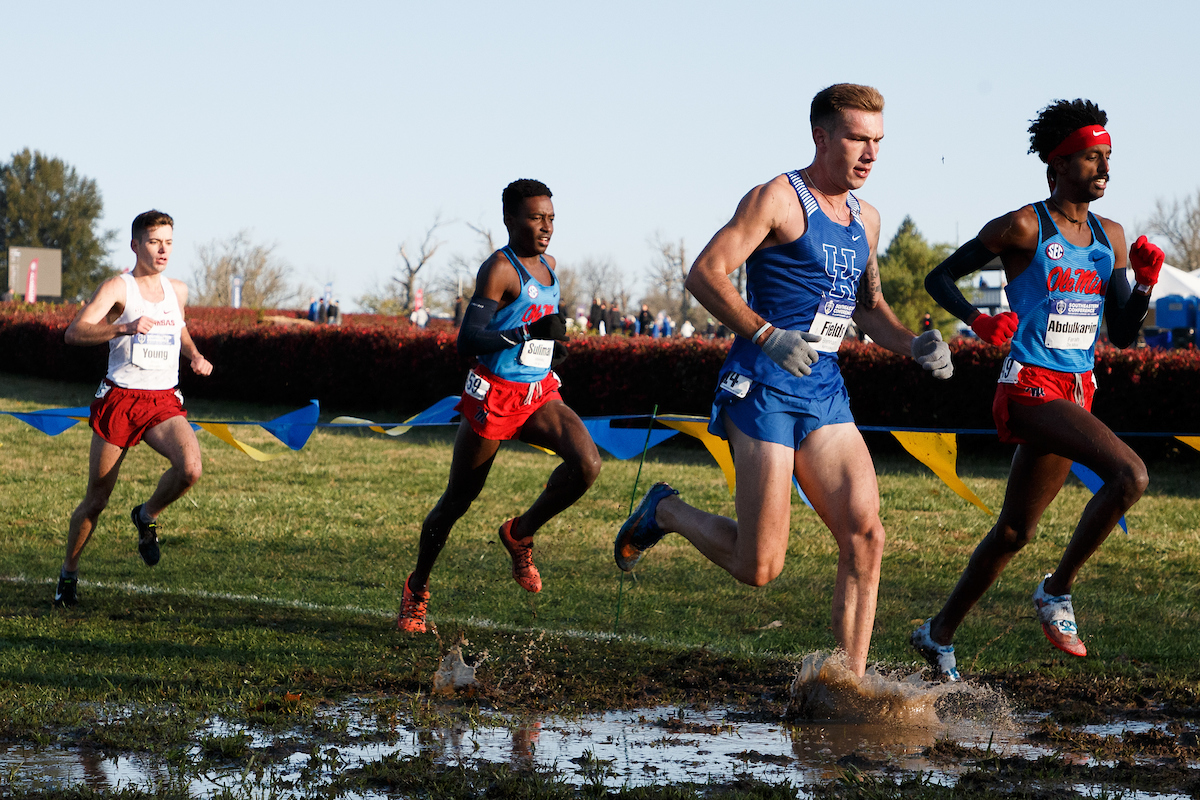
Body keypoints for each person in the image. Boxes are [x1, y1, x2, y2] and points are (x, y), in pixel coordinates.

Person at [613, 84, 952, 677]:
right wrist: (768, 335)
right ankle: (665, 510)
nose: (870, 154)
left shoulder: (866, 219)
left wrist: (912, 344)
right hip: (762, 386)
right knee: (761, 566)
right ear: (822, 137)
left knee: (865, 536)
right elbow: (705, 273)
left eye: (878, 142)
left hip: (822, 389)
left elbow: (868, 307)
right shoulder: (778, 197)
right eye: (857, 139)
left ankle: (845, 682)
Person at [911, 99, 1161, 681]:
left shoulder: (1112, 236)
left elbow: (1122, 334)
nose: (1103, 169)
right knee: (1132, 476)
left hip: (1077, 391)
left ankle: (937, 633)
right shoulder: (1025, 225)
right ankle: (1057, 591)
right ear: (1056, 167)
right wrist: (978, 320)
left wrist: (1144, 284)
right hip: (1028, 383)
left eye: (1107, 158)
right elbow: (938, 277)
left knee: (1014, 530)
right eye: (1090, 159)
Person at [397, 179, 602, 633]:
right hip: (494, 394)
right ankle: (417, 590)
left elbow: (543, 328)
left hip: (538, 391)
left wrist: (557, 345)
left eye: (551, 218)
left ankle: (519, 532)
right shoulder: (499, 269)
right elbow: (468, 339)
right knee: (456, 502)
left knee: (587, 464)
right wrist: (530, 335)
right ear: (510, 219)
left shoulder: (550, 266)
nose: (546, 227)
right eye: (535, 218)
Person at [54, 210, 214, 607]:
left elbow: (178, 328)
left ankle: (146, 515)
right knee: (97, 500)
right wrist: (122, 326)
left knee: (191, 468)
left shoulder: (177, 290)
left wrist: (194, 354)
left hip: (162, 400)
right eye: (155, 242)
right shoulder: (118, 288)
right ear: (136, 245)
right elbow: (74, 333)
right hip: (121, 399)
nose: (163, 250)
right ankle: (68, 577)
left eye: (169, 242)